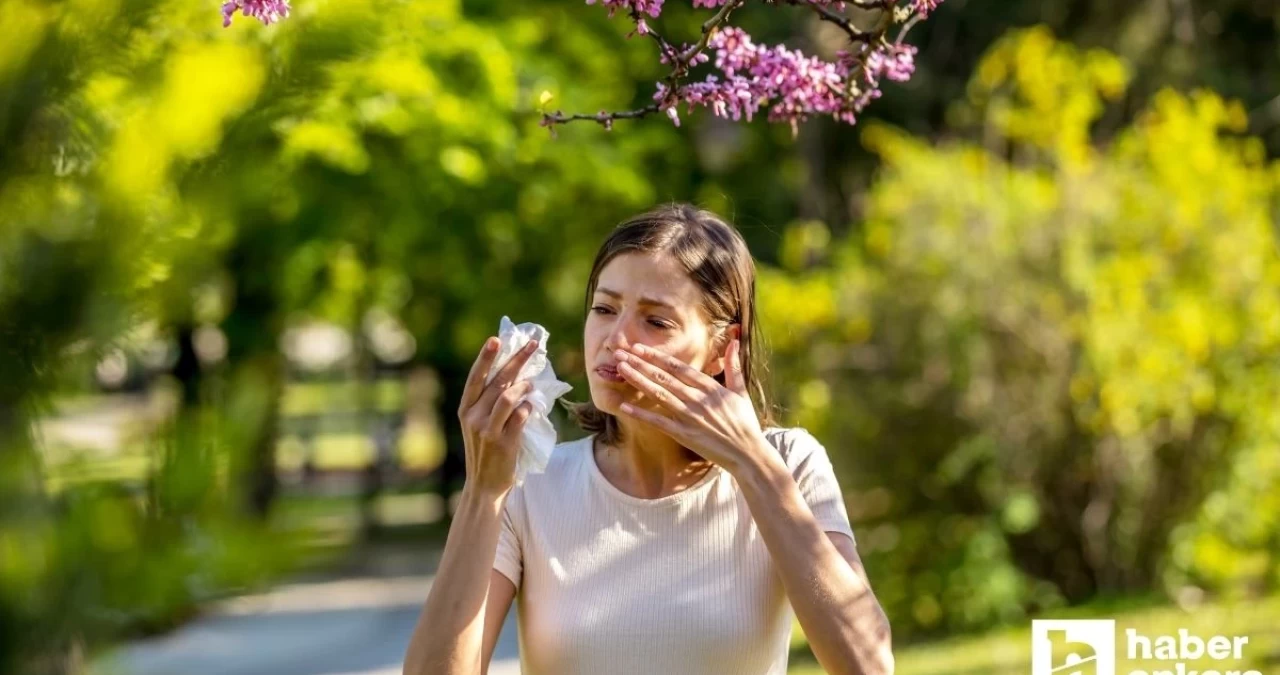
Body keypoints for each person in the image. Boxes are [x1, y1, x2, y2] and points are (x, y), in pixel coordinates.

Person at [403, 203, 893, 675]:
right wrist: (482, 493)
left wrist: (752, 464)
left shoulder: (790, 463)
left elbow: (868, 665)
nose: (615, 338)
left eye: (655, 320)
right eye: (603, 308)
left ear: (723, 348)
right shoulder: (533, 485)